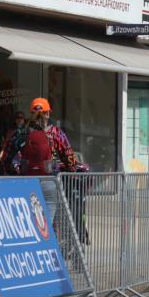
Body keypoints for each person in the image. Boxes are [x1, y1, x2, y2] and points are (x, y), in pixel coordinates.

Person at [20, 98, 90, 241]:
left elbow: (7, 156)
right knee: (51, 220)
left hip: (24, 181)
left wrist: (15, 171)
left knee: (27, 220)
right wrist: (73, 169)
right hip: (50, 180)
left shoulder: (22, 133)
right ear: (48, 114)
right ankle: (51, 247)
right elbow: (69, 157)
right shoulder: (55, 133)